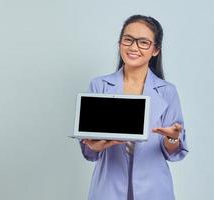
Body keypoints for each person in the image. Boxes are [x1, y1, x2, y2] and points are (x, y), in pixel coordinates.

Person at [79, 14, 189, 200]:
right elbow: (89, 152)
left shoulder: (167, 91)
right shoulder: (100, 86)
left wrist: (172, 138)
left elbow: (174, 153)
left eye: (143, 42)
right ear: (120, 43)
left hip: (154, 188)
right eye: (128, 40)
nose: (133, 47)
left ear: (155, 50)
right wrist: (96, 144)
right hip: (108, 187)